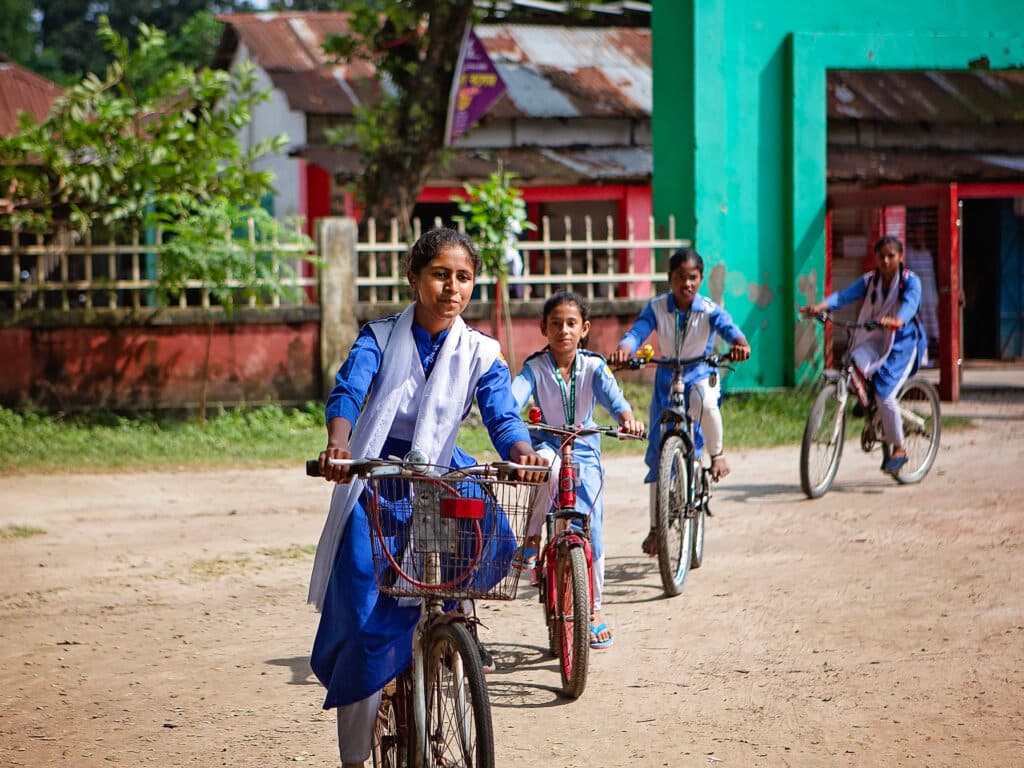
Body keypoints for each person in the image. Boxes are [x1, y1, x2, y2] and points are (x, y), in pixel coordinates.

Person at [309, 227, 547, 768]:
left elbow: (500, 411)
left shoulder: (480, 350)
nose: (452, 288)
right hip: (381, 475)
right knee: (366, 607)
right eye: (440, 274)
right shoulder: (380, 336)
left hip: (440, 469)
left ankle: (448, 632)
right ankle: (357, 746)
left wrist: (521, 450)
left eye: (463, 277)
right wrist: (339, 444)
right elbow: (350, 388)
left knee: (484, 533)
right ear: (414, 278)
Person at [511, 291, 644, 649]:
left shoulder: (593, 366)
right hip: (548, 443)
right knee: (548, 472)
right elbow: (515, 397)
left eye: (571, 324)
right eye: (555, 324)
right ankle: (532, 537)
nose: (564, 331)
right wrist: (505, 410)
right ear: (543, 328)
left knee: (593, 526)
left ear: (584, 329)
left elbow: (615, 400)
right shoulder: (535, 366)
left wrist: (627, 419)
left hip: (585, 449)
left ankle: (595, 608)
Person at [606, 247, 750, 558]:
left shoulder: (709, 308)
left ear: (700, 279)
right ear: (670, 279)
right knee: (659, 457)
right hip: (667, 378)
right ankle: (657, 528)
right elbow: (638, 331)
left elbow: (730, 330)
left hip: (700, 372)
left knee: (707, 406)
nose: (686, 283)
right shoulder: (657, 306)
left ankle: (718, 455)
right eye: (680, 277)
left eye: (693, 277)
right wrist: (625, 348)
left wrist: (739, 343)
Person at [799, 234, 928, 475]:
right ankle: (866, 402)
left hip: (902, 343)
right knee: (854, 362)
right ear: (876, 259)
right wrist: (820, 307)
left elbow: (910, 305)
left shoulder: (911, 282)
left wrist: (897, 320)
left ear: (900, 257)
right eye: (881, 256)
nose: (886, 261)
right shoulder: (870, 281)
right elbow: (844, 296)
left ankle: (899, 448)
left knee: (885, 394)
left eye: (891, 256)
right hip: (873, 337)